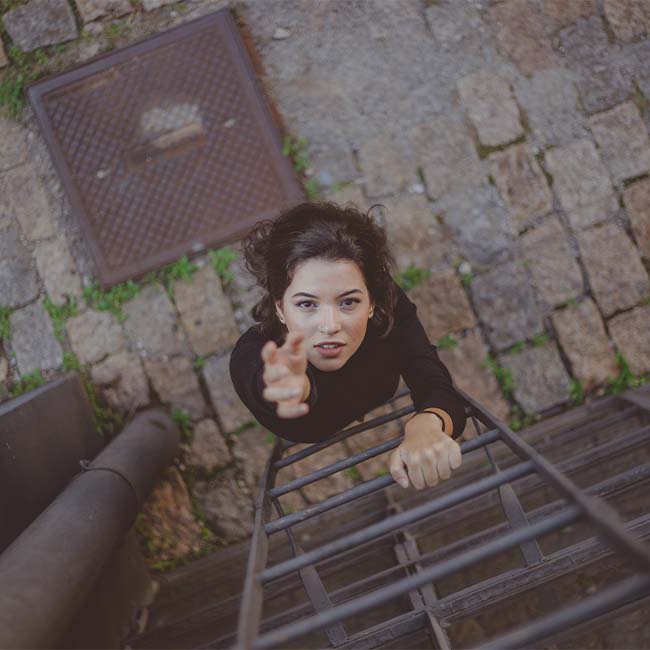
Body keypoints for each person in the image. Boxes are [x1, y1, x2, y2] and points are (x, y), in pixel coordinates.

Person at [229, 201, 466, 490]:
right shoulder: (252, 352)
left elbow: (432, 380)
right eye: (307, 304)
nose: (329, 325)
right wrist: (291, 386)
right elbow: (257, 377)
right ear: (280, 308)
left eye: (348, 302)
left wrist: (427, 424)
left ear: (372, 302)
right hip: (315, 425)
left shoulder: (387, 307)